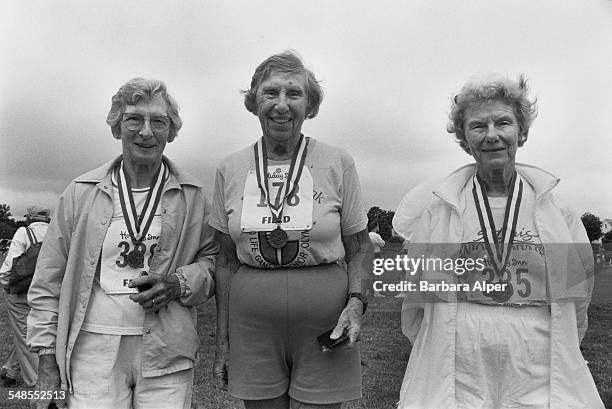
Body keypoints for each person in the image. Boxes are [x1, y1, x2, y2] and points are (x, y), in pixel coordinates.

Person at [392, 74, 604, 408]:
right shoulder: (436, 210)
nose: (492, 135)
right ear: (464, 139)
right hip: (458, 365)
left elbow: (578, 297)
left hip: (536, 365)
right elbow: (416, 299)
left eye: (503, 122)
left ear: (522, 132)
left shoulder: (558, 211)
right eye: (478, 126)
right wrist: (440, 346)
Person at [26, 78, 218, 409]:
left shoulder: (193, 195)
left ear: (170, 132)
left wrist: (177, 283)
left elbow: (214, 266)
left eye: (159, 121)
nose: (147, 131)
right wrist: (46, 359)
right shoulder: (80, 192)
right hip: (92, 350)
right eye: (134, 119)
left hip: (167, 351)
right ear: (117, 127)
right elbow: (48, 279)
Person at [211, 51, 372, 409]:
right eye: (270, 93)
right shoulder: (230, 167)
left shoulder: (338, 162)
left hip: (324, 327)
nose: (281, 105)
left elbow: (360, 247)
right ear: (254, 103)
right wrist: (222, 342)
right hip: (253, 327)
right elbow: (223, 260)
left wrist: (357, 303)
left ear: (310, 107)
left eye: (294, 94)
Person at [0, 205, 50, 387]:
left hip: (21, 292)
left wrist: (7, 286)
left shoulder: (23, 232)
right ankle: (10, 370)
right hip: (47, 293)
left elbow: (7, 268)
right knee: (36, 332)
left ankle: (38, 382)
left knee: (24, 334)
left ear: (29, 217)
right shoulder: (56, 233)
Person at [367, 220, 385, 297]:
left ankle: (367, 291)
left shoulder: (367, 235)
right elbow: (382, 244)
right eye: (378, 226)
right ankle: (376, 293)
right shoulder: (376, 236)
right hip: (376, 255)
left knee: (369, 274)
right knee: (377, 274)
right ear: (376, 227)